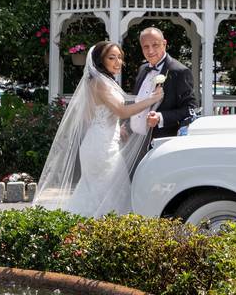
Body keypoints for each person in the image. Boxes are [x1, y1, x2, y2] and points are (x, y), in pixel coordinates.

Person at [34, 41, 163, 217]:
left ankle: (81, 229)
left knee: (103, 192)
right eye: (112, 58)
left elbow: (95, 115)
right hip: (100, 148)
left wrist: (115, 128)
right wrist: (151, 99)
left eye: (119, 57)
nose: (118, 62)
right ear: (101, 61)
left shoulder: (102, 81)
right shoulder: (99, 83)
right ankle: (84, 229)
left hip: (102, 142)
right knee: (109, 191)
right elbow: (121, 110)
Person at [130, 27, 196, 140]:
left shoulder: (180, 72)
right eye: (146, 47)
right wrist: (125, 126)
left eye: (155, 45)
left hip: (161, 140)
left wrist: (160, 117)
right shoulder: (142, 69)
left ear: (164, 44)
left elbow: (190, 109)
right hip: (135, 139)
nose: (150, 51)